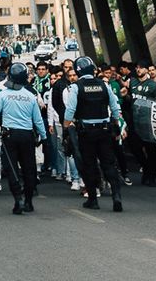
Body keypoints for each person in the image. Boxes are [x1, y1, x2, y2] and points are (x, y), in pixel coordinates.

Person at [0, 61, 46, 215]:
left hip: (10, 136)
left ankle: (18, 200)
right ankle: (28, 201)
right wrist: (44, 136)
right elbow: (38, 120)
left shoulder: (3, 95)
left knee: (12, 169)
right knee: (29, 168)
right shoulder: (30, 96)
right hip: (27, 136)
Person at [62, 56, 125, 212]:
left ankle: (92, 200)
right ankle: (116, 196)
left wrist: (66, 127)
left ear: (77, 71)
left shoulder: (76, 87)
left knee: (89, 165)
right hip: (104, 130)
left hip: (86, 132)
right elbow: (115, 107)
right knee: (109, 164)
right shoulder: (104, 85)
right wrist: (115, 123)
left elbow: (70, 110)